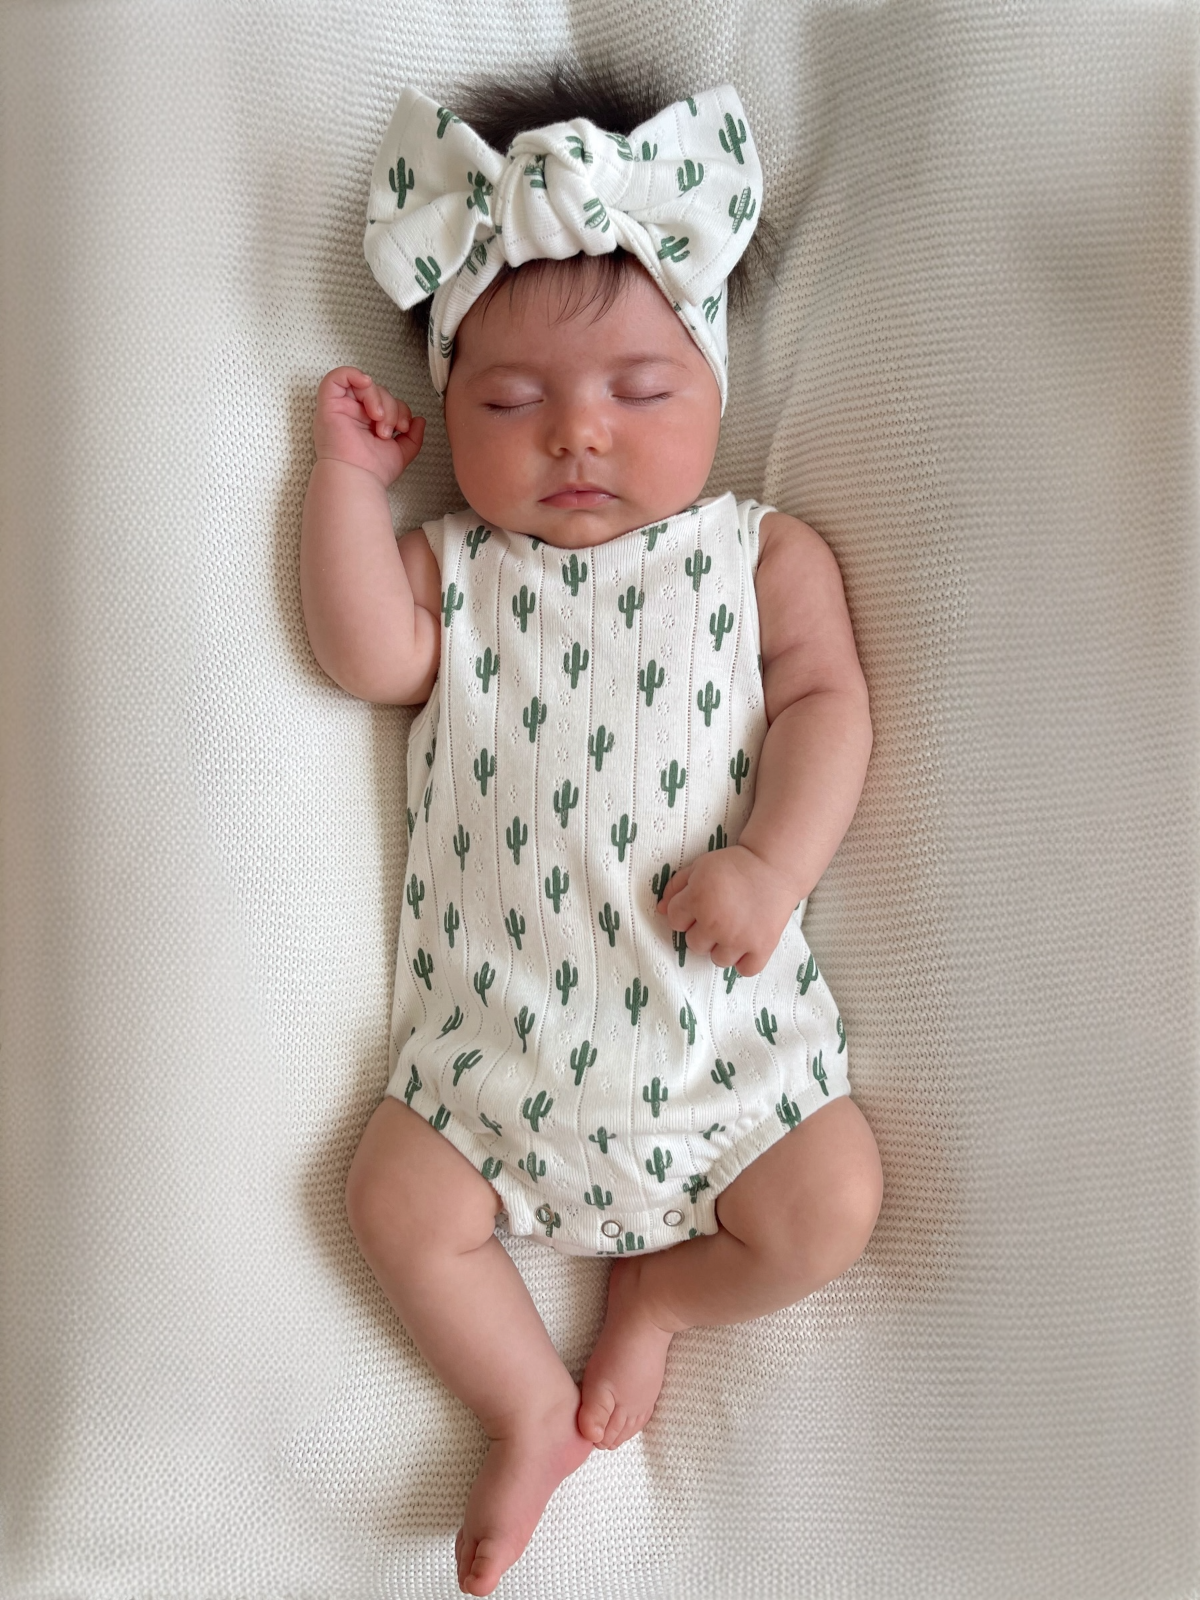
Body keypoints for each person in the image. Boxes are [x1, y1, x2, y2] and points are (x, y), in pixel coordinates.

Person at [300, 63, 883, 1598]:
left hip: (722, 1052)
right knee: (391, 1202)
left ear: (712, 385)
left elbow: (829, 711)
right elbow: (366, 656)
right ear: (449, 408)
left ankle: (660, 1303)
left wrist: (776, 864)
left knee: (832, 1204)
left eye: (639, 390)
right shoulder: (459, 569)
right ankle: (519, 1405)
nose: (578, 438)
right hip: (493, 1057)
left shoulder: (758, 559)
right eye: (508, 402)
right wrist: (348, 490)